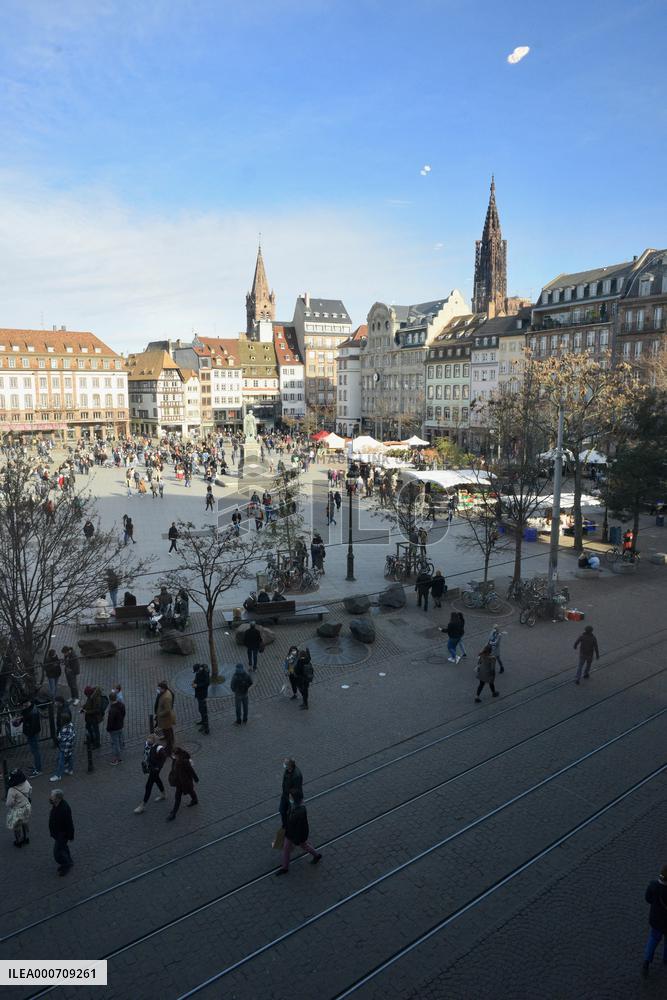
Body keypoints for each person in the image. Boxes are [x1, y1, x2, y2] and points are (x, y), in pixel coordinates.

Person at [275, 792, 322, 875]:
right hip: (289, 832)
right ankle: (285, 868)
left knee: (304, 845)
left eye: (291, 798)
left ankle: (317, 855)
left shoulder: (300, 811)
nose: (289, 799)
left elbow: (301, 827)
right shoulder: (293, 806)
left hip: (296, 835)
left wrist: (296, 839)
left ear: (295, 800)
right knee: (286, 849)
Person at [642, 863, 667, 977]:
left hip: (656, 919)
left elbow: (648, 899)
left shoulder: (653, 885)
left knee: (653, 939)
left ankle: (646, 962)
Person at [134, 733, 168, 813]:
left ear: (154, 741)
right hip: (150, 767)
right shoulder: (147, 744)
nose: (148, 739)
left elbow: (164, 757)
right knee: (157, 780)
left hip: (155, 769)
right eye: (148, 738)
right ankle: (163, 794)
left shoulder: (158, 748)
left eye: (150, 739)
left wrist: (158, 767)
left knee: (148, 785)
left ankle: (142, 805)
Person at [166, 747, 199, 821]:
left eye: (174, 755)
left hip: (185, 782)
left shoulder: (184, 761)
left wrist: (195, 778)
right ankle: (194, 800)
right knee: (188, 792)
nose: (173, 756)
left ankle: (173, 814)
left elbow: (191, 770)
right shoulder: (176, 760)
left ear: (177, 754)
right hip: (179, 781)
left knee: (179, 797)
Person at [49, 789, 74, 875]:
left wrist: (71, 835)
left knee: (57, 853)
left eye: (52, 796)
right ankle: (69, 861)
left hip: (62, 835)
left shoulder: (64, 809)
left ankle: (66, 865)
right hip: (58, 833)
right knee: (64, 848)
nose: (50, 797)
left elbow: (69, 823)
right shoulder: (56, 804)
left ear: (58, 798)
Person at [6, 769, 32, 848]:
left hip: (17, 809)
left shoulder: (12, 790)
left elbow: (9, 803)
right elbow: (30, 790)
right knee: (25, 822)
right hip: (27, 806)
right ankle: (26, 837)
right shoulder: (26, 782)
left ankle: (19, 841)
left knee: (17, 826)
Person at [19, 700, 42, 777]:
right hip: (31, 734)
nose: (22, 706)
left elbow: (33, 726)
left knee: (36, 752)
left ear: (26, 703)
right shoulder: (30, 709)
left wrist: (29, 734)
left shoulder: (33, 712)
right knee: (34, 751)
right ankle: (37, 767)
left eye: (23, 705)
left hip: (32, 735)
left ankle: (38, 770)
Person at [49, 713, 76, 781]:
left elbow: (62, 738)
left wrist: (59, 737)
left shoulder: (64, 729)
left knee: (61, 761)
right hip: (70, 746)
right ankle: (70, 770)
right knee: (70, 757)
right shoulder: (71, 725)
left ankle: (58, 775)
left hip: (64, 747)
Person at [279, 758, 303, 827]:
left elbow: (297, 789)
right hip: (285, 795)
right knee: (282, 810)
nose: (284, 765)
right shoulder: (287, 771)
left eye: (285, 764)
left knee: (292, 814)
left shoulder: (297, 775)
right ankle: (285, 825)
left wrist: (290, 795)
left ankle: (291, 827)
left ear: (290, 766)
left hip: (293, 798)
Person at [154, 681, 176, 751]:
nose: (158, 689)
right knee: (168, 730)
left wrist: (160, 714)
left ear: (163, 689)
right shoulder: (164, 693)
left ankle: (169, 747)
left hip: (166, 718)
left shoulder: (166, 697)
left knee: (167, 732)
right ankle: (171, 739)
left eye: (159, 688)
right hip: (166, 718)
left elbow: (167, 710)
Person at [107, 691, 126, 764]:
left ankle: (117, 759)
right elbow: (124, 714)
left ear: (110, 699)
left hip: (114, 729)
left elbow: (110, 721)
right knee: (120, 740)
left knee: (115, 743)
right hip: (120, 725)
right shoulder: (121, 705)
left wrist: (108, 728)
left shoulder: (112, 710)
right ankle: (119, 754)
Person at [192, 662, 210, 735]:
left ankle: (206, 729)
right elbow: (197, 679)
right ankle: (203, 722)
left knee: (204, 712)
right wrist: (194, 681)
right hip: (199, 694)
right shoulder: (199, 672)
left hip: (203, 695)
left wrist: (197, 685)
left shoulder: (204, 673)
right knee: (200, 709)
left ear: (199, 669)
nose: (196, 672)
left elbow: (206, 683)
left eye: (196, 671)